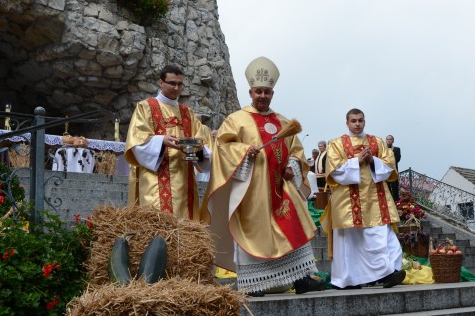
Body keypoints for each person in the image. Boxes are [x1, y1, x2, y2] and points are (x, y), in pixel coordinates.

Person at [201, 56, 325, 296]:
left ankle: (301, 278)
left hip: (280, 188)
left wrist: (292, 165)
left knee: (293, 224)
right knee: (252, 232)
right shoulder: (236, 120)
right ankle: (254, 284)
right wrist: (244, 151)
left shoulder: (284, 122)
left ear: (272, 94)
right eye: (258, 92)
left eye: (267, 92)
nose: (262, 96)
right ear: (250, 92)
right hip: (252, 189)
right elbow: (223, 148)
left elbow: (296, 150)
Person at [321, 108, 405, 289]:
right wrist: (356, 162)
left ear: (364, 121)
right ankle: (348, 280)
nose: (357, 124)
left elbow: (390, 166)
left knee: (381, 236)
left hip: (376, 198)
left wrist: (373, 160)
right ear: (347, 123)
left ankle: (389, 272)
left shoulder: (377, 141)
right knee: (348, 242)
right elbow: (333, 170)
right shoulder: (336, 143)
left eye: (360, 120)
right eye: (353, 121)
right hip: (347, 201)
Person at [125, 64, 210, 220]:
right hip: (155, 177)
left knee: (186, 222)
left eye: (179, 84)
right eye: (172, 83)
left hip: (184, 178)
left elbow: (204, 145)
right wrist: (161, 140)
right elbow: (136, 141)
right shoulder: (145, 107)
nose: (176, 88)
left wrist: (195, 148)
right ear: (161, 82)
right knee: (157, 224)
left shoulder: (188, 113)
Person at [385, 134, 402, 201]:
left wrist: (388, 159)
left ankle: (396, 202)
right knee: (386, 187)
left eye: (390, 139)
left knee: (395, 187)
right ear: (386, 141)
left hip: (394, 170)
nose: (389, 141)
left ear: (393, 141)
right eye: (387, 139)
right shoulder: (383, 149)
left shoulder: (397, 149)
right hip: (385, 171)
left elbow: (397, 159)